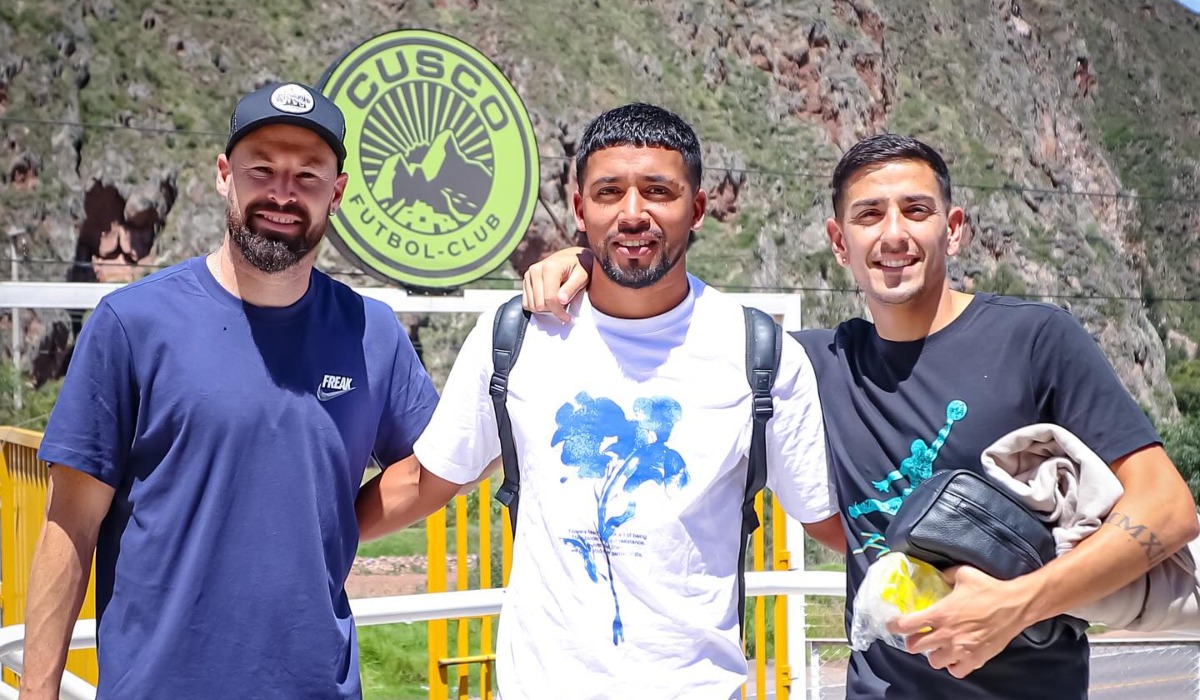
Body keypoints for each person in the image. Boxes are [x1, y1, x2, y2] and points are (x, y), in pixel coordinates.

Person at [521, 133, 1199, 699]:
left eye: (916, 210)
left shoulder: (1034, 339)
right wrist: (587, 261)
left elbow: (1169, 509)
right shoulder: (807, 365)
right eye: (869, 214)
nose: (894, 233)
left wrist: (1014, 604)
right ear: (838, 241)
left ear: (953, 230)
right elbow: (676, 320)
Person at [355, 103, 843, 699]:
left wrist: (969, 570)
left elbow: (829, 520)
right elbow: (426, 481)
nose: (633, 213)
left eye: (658, 191)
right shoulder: (516, 336)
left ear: (697, 209)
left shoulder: (758, 353)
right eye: (609, 191)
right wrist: (293, 542)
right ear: (580, 208)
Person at [20, 82, 439, 700]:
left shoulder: (370, 332)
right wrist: (36, 694)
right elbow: (70, 527)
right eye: (262, 169)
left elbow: (438, 464)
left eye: (308, 176)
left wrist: (334, 526)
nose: (282, 193)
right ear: (225, 175)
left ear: (339, 192)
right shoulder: (133, 324)